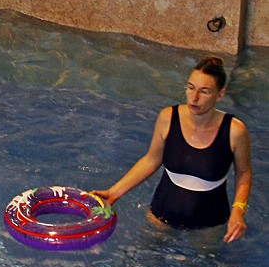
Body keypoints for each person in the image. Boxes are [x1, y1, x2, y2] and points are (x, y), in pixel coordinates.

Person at [94, 57, 251, 240]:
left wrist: (238, 211)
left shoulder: (235, 131)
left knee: (206, 266)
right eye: (190, 87)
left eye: (204, 91)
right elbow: (151, 160)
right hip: (162, 213)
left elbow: (244, 173)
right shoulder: (168, 118)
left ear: (220, 94)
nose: (194, 98)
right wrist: (114, 193)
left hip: (210, 221)